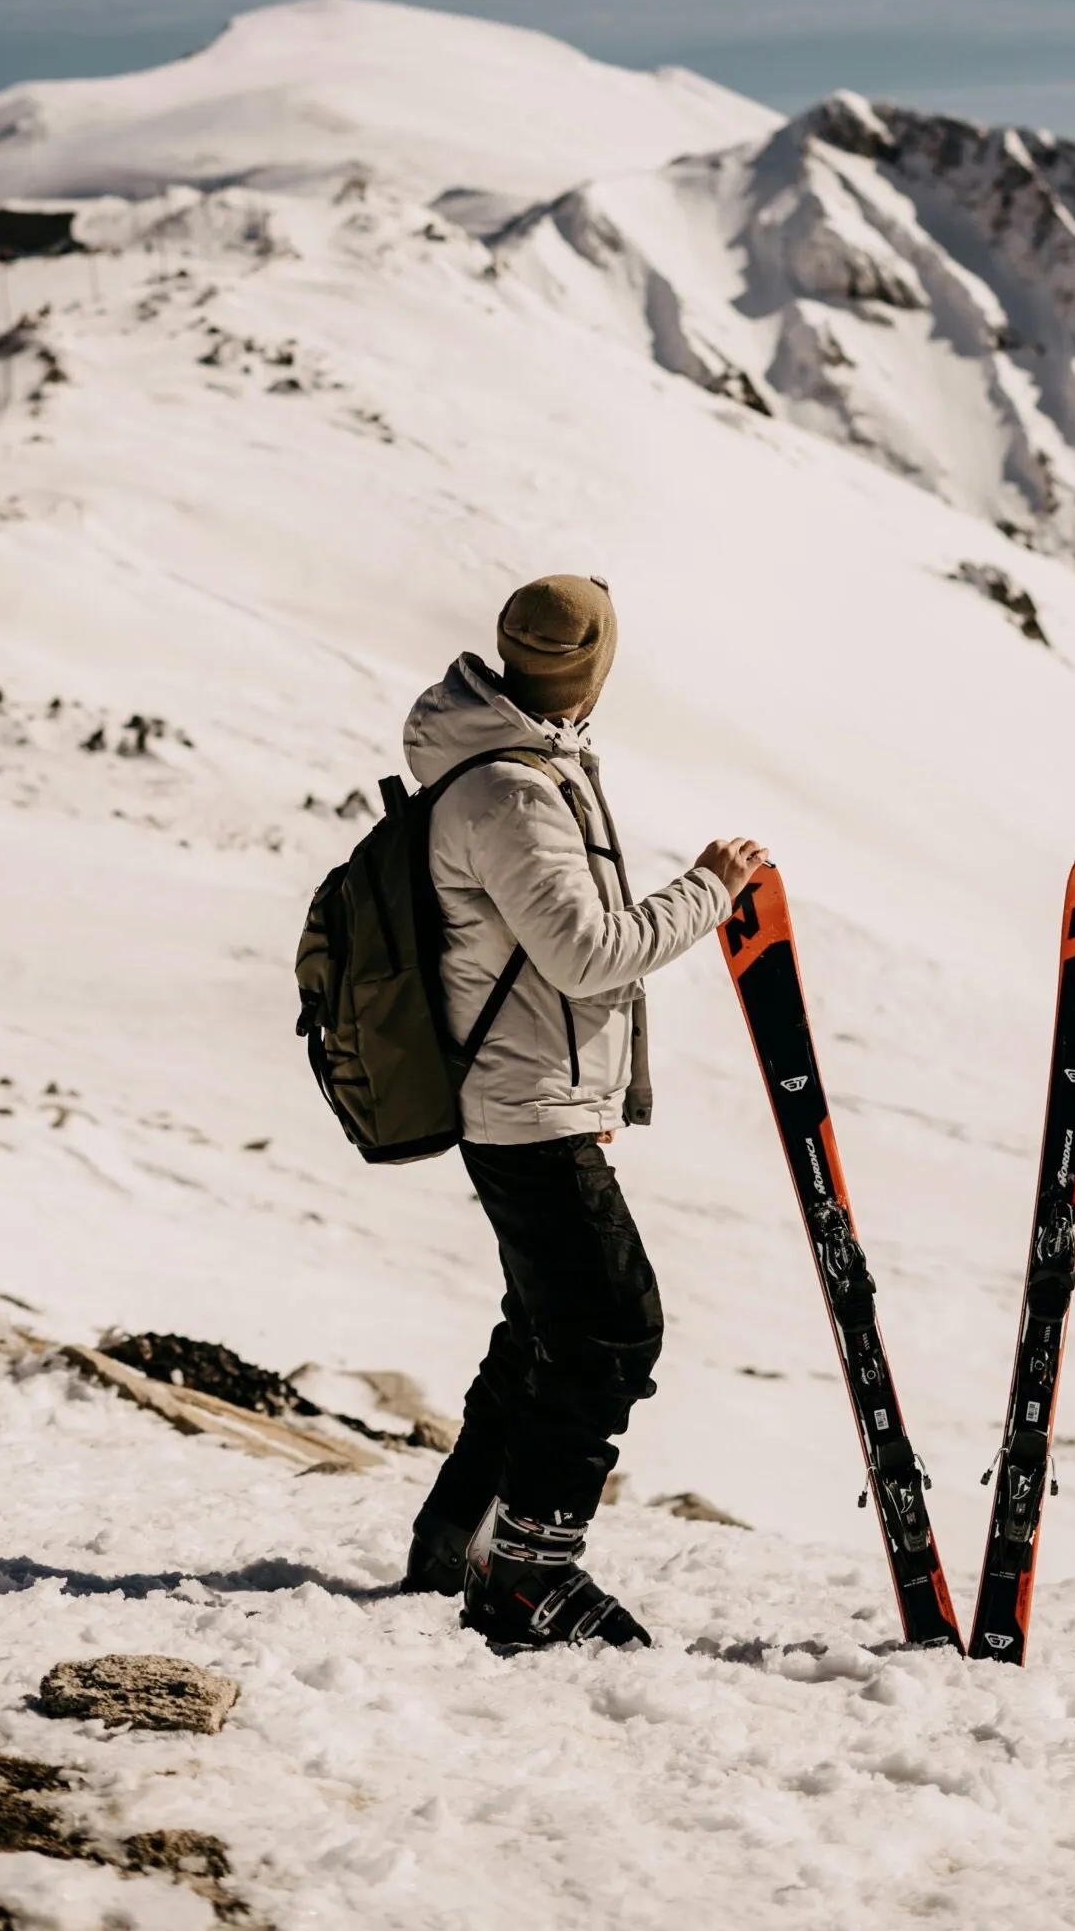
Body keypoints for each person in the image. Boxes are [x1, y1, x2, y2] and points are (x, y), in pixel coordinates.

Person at [400, 573, 768, 1649]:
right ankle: (527, 1575)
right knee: (612, 1330)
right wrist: (709, 886)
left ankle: (452, 1534)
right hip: (523, 1105)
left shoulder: (516, 763)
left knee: (547, 1326)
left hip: (530, 1093)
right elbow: (586, 950)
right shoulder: (509, 790)